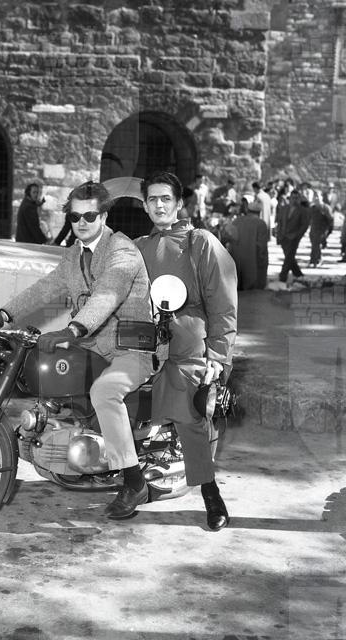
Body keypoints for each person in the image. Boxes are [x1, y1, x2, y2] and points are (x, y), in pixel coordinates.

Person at [0, 181, 154, 519]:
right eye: (75, 217)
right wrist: (3, 314)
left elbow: (107, 295)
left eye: (90, 215)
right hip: (91, 346)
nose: (82, 223)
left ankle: (134, 481)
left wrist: (72, 330)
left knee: (104, 392)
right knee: (50, 376)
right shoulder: (74, 255)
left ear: (103, 216)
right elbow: (45, 287)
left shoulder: (122, 250)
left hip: (129, 349)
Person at [135, 171, 237, 531]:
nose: (159, 205)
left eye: (166, 198)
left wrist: (217, 356)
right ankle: (125, 476)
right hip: (142, 341)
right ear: (145, 205)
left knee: (188, 413)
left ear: (179, 203)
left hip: (189, 343)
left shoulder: (200, 242)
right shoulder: (137, 247)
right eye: (152, 199)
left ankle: (210, 492)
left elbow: (223, 304)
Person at [229, 197, 269, 290]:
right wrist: (262, 263)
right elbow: (261, 247)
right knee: (251, 291)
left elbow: (230, 239)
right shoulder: (260, 224)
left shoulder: (236, 221)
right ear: (259, 213)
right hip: (252, 263)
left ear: (248, 210)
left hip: (236, 261)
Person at [277, 187, 310, 286]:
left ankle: (283, 277)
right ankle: (298, 274)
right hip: (283, 237)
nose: (294, 200)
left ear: (299, 199)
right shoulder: (284, 208)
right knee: (289, 257)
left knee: (288, 257)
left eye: (296, 198)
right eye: (293, 198)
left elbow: (304, 225)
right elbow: (280, 222)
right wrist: (279, 235)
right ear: (289, 198)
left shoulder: (302, 210)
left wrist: (298, 236)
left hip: (294, 237)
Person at [308, 190, 332, 268]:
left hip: (322, 230)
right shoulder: (312, 208)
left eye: (317, 196)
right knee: (314, 245)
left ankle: (317, 260)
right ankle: (313, 260)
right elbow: (309, 219)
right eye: (314, 196)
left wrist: (328, 231)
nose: (316, 198)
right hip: (313, 229)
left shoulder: (326, 208)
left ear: (321, 197)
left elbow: (330, 220)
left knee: (317, 245)